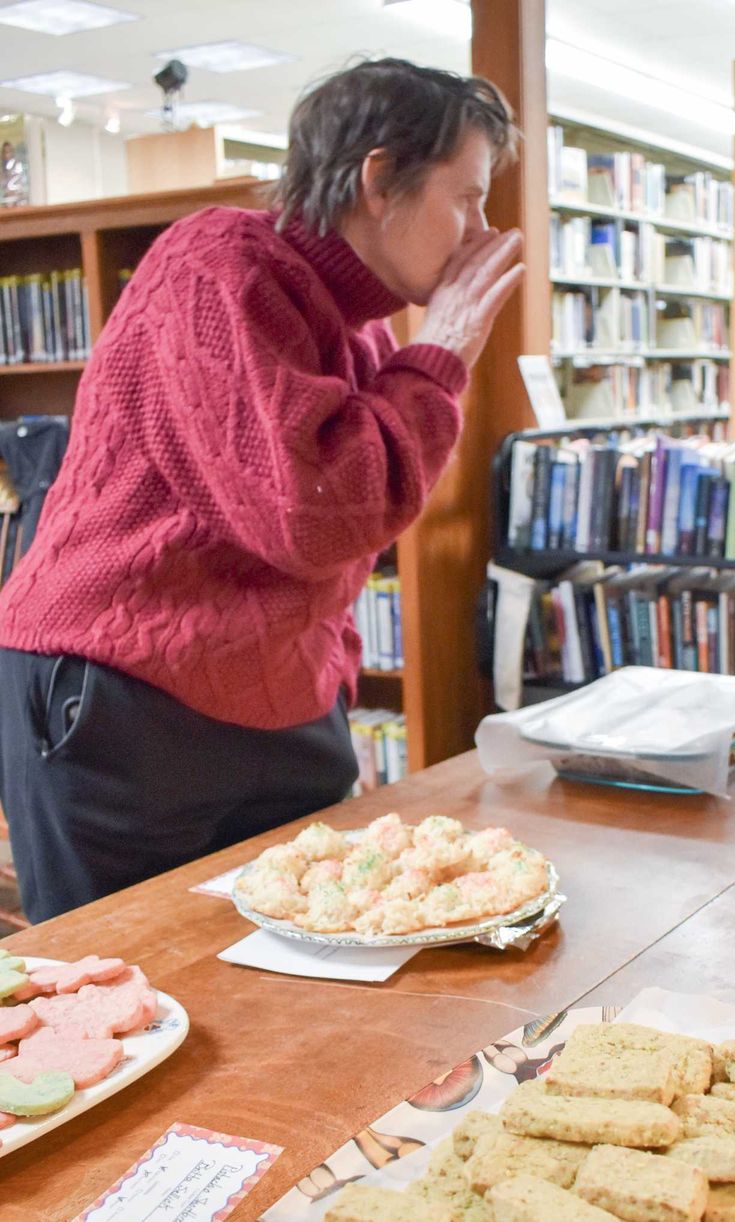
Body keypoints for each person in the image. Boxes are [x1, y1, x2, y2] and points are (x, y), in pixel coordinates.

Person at [0, 58, 525, 922]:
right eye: (466, 198)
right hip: (119, 693)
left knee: (306, 965)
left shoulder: (357, 332)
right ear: (379, 179)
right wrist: (442, 353)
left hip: (270, 700)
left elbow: (348, 533)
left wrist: (333, 674)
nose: (481, 230)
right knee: (122, 975)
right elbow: (308, 514)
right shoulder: (217, 265)